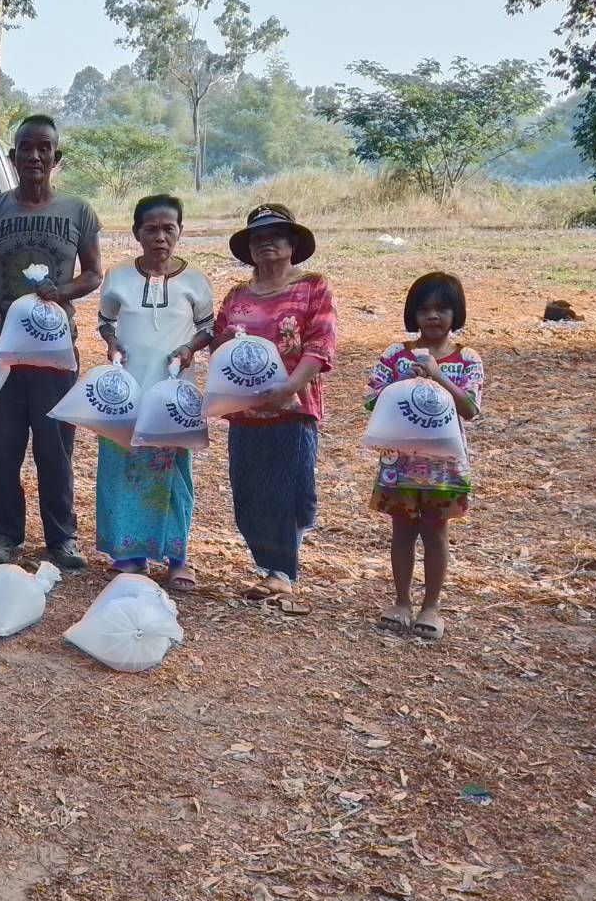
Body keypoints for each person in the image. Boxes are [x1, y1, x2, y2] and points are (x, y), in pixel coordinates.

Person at [0, 114, 101, 569]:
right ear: (13, 157)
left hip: (54, 354)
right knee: (2, 450)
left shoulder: (78, 211)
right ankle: (5, 534)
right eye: (25, 147)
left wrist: (62, 293)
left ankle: (61, 538)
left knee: (55, 449)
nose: (34, 156)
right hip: (5, 355)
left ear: (56, 157)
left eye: (43, 148)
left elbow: (93, 274)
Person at [212, 203, 337, 615]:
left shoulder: (313, 287)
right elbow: (218, 343)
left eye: (276, 236)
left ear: (293, 244)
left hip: (293, 406)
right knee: (248, 492)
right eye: (258, 237)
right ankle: (273, 565)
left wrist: (290, 387)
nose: (266, 243)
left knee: (291, 491)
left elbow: (320, 344)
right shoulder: (236, 296)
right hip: (245, 411)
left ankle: (280, 572)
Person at [95, 194, 214, 590]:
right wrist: (111, 344)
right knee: (123, 469)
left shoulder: (195, 280)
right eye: (151, 229)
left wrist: (189, 349)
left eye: (169, 228)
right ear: (136, 233)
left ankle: (178, 558)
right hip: (127, 392)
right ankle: (130, 555)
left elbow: (208, 328)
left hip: (173, 396)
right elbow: (105, 321)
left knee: (175, 475)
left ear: (180, 231)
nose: (160, 237)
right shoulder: (119, 276)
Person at [366, 272, 483, 642]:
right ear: (412, 314)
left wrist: (438, 378)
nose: (433, 317)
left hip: (444, 465)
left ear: (456, 313)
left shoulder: (467, 358)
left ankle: (430, 606)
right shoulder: (394, 354)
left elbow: (470, 408)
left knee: (435, 532)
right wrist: (404, 382)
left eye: (443, 308)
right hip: (398, 461)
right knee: (401, 532)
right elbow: (371, 399)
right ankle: (400, 601)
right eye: (425, 309)